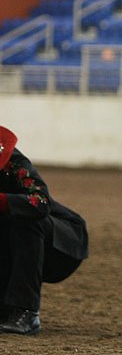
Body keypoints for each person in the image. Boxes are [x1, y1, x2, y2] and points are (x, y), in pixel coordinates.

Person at [0, 126, 89, 335]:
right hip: (18, 246)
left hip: (62, 244)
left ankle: (27, 312)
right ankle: (8, 307)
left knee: (25, 219)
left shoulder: (15, 163)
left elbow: (40, 203)